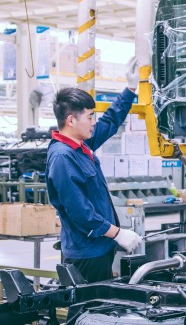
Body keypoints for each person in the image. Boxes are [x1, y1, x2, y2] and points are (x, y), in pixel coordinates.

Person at [46, 58, 143, 283]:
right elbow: (80, 212)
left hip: (99, 246)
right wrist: (119, 234)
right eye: (90, 116)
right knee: (85, 310)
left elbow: (110, 121)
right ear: (71, 120)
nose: (93, 122)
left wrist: (130, 89)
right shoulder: (63, 157)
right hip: (86, 253)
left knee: (98, 308)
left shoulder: (81, 145)